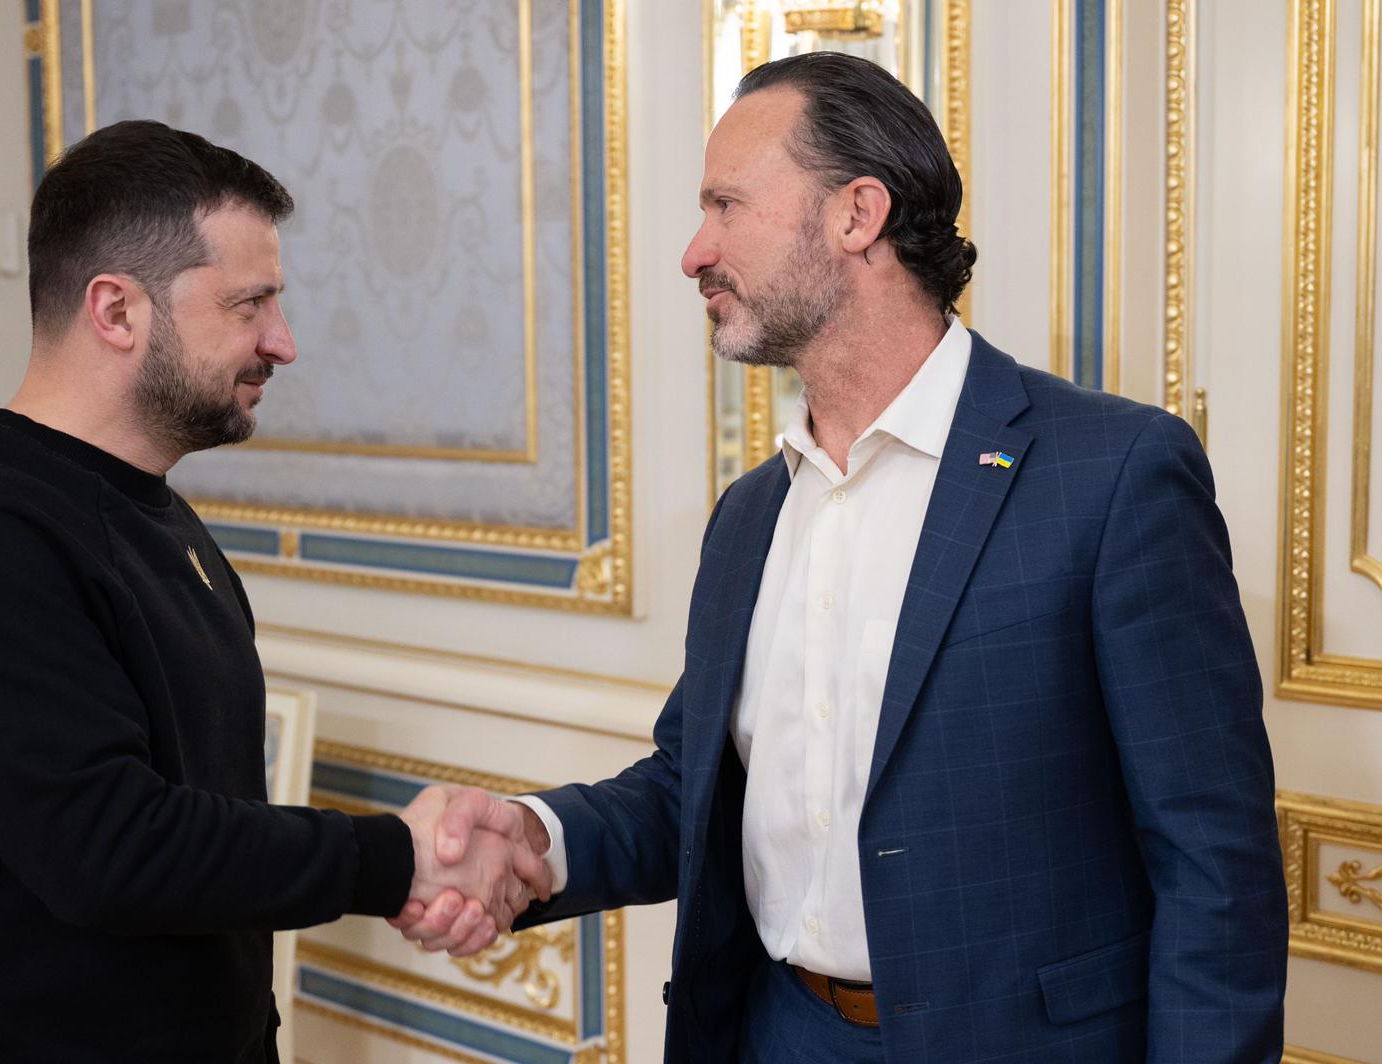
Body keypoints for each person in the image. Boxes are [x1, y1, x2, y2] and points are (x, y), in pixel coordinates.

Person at [395, 52, 1288, 1063]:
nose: (693, 251)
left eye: (726, 205)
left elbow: (1214, 862)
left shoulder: (1113, 471)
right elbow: (697, 782)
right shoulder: (748, 514)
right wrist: (533, 838)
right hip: (775, 1033)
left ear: (855, 214)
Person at [0, 120, 547, 1064]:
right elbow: (109, 850)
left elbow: (204, 833)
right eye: (248, 305)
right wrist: (397, 857)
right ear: (117, 310)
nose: (282, 343)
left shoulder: (156, 518)